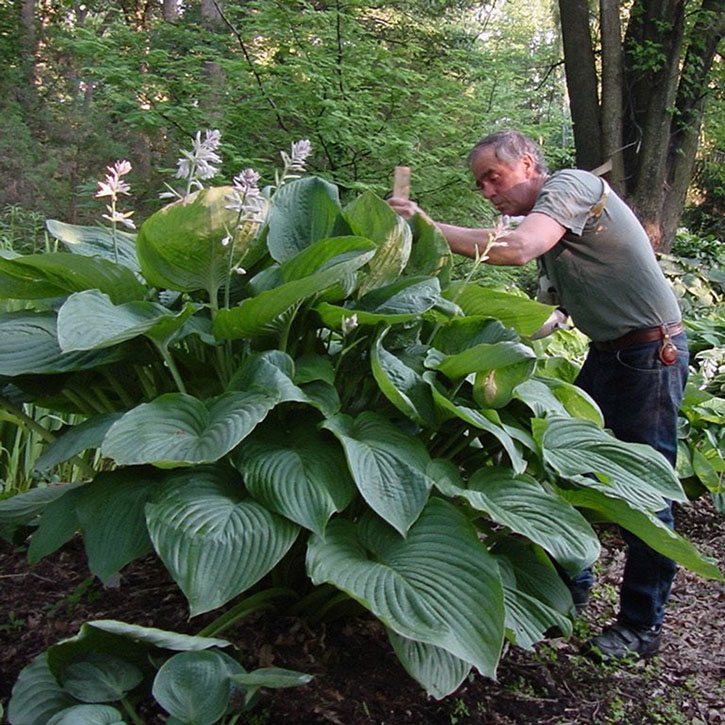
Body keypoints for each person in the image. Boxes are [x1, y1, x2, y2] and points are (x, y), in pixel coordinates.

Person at [387, 129, 689, 660]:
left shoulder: (572, 187)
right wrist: (479, 332)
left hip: (651, 356)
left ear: (528, 164)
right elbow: (548, 321)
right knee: (561, 469)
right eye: (479, 183)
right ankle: (563, 597)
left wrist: (429, 227)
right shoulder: (558, 235)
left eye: (493, 178)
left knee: (646, 492)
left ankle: (642, 627)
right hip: (609, 354)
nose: (487, 192)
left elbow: (519, 249)